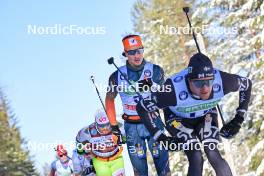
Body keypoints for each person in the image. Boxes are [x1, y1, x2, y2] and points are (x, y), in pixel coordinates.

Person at [136, 53, 252, 176]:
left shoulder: (223, 81)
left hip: (206, 115)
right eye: (198, 83)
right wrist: (160, 137)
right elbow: (141, 108)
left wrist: (238, 119)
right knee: (195, 156)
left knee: (212, 151)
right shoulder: (172, 90)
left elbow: (247, 84)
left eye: (209, 81)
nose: (205, 88)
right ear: (189, 80)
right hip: (178, 119)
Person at [105, 34, 170, 176]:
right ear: (126, 54)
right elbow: (109, 99)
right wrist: (114, 126)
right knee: (139, 171)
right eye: (132, 52)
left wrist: (171, 119)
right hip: (131, 127)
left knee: (163, 168)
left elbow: (167, 95)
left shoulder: (155, 70)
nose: (136, 55)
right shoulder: (117, 75)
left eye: (139, 50)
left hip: (153, 121)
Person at [76, 110, 125, 176]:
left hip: (116, 158)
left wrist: (121, 138)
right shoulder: (88, 131)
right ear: (96, 123)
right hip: (99, 161)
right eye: (101, 126)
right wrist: (81, 150)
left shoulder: (117, 125)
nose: (105, 128)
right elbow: (78, 141)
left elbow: (128, 137)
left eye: (107, 124)